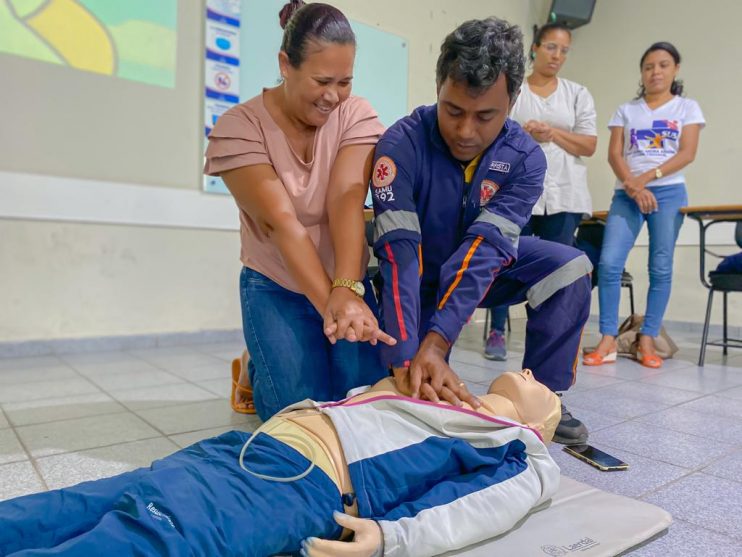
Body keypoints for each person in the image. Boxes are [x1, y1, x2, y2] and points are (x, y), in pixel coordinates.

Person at [0, 369, 561, 557]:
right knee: (75, 505)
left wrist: (392, 537)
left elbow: (484, 506)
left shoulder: (522, 447)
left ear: (543, 426)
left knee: (145, 539)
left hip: (296, 484)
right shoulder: (448, 391)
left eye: (547, 387)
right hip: (244, 451)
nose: (534, 375)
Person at [371, 17, 593, 445]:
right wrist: (405, 355)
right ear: (439, 87)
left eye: (485, 116)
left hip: (481, 274)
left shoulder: (526, 159)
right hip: (416, 278)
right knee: (400, 393)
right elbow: (399, 256)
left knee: (571, 266)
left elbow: (486, 251)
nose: (465, 131)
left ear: (512, 102)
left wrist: (436, 344)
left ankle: (544, 395)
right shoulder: (401, 145)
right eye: (453, 111)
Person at [204, 1, 395, 420]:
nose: (333, 96)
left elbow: (346, 197)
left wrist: (347, 288)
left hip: (347, 281)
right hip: (276, 284)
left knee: (364, 401)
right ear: (285, 64)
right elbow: (280, 224)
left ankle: (275, 349)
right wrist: (335, 304)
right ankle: (256, 363)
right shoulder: (239, 127)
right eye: (322, 80)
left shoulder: (355, 114)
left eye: (344, 81)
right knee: (302, 413)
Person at [584, 42, 704, 369]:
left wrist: (647, 178)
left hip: (668, 193)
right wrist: (634, 188)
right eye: (649, 66)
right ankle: (608, 338)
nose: (656, 72)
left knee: (660, 267)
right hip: (627, 193)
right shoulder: (627, 110)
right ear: (642, 72)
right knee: (609, 263)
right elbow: (614, 154)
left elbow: (687, 153)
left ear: (675, 69)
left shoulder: (686, 108)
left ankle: (646, 339)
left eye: (663, 65)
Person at [485, 22, 597, 361]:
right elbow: (492, 132)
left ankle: (546, 341)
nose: (557, 56)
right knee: (502, 259)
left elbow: (589, 144)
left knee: (557, 270)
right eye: (551, 47)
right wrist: (523, 133)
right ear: (535, 48)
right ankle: (496, 331)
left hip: (564, 197)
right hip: (516, 192)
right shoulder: (513, 89)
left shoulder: (577, 93)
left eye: (564, 50)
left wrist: (552, 133)